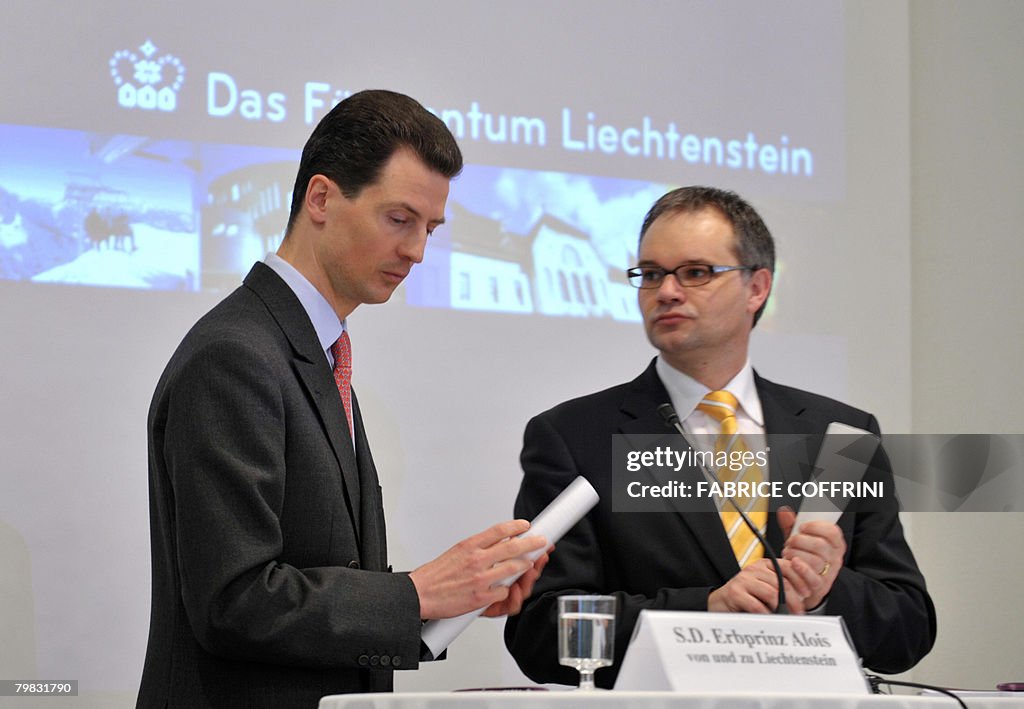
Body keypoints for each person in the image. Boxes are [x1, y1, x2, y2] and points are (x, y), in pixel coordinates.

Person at [138, 89, 547, 709]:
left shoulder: (309, 349)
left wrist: (453, 601)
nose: (416, 251)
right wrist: (415, 594)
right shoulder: (238, 355)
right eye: (399, 219)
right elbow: (233, 600)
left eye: (429, 228)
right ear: (322, 198)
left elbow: (317, 572)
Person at [504, 186, 935, 687]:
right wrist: (705, 609)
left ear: (757, 288)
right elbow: (539, 630)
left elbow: (909, 630)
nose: (666, 291)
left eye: (695, 273)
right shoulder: (575, 436)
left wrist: (823, 591)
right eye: (650, 274)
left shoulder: (839, 438)